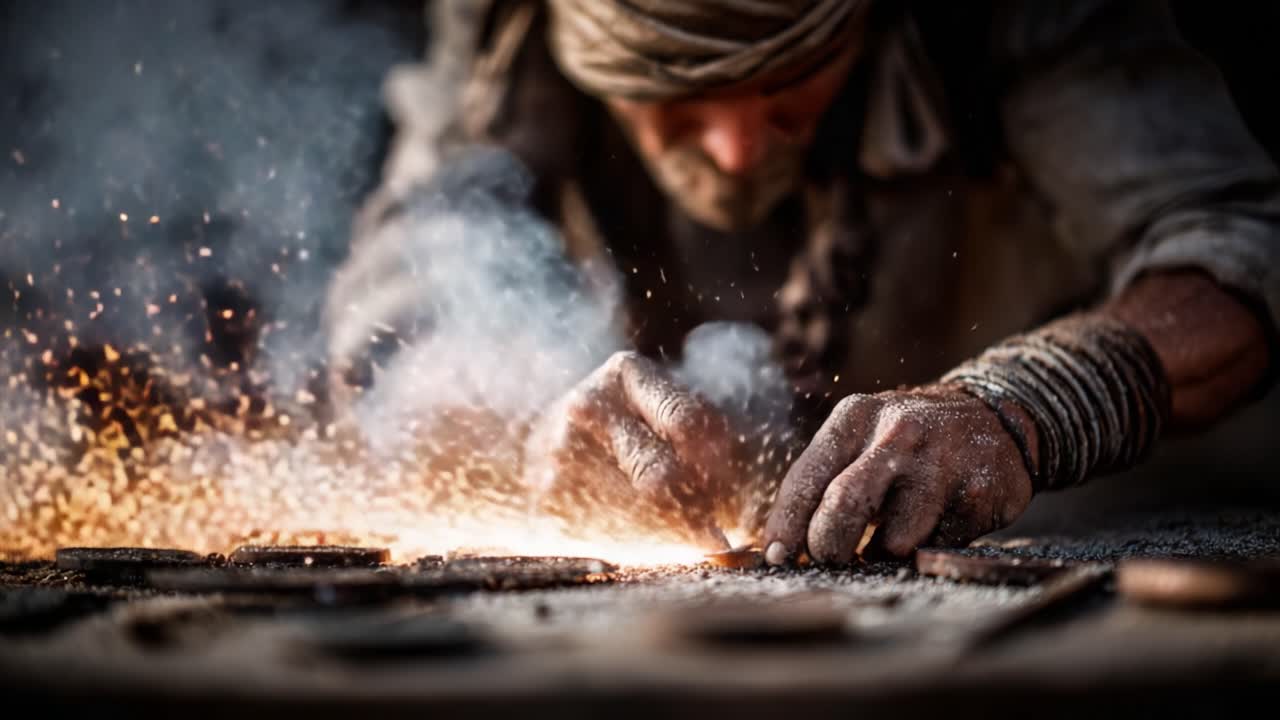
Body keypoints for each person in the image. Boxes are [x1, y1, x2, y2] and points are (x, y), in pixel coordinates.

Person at [325, 0, 1278, 565]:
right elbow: (411, 290)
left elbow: (1246, 236)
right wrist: (529, 420)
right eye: (678, 100)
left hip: (1082, 528)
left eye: (790, 88)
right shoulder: (512, 30)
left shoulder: (1009, 14)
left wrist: (1033, 403)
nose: (738, 154)